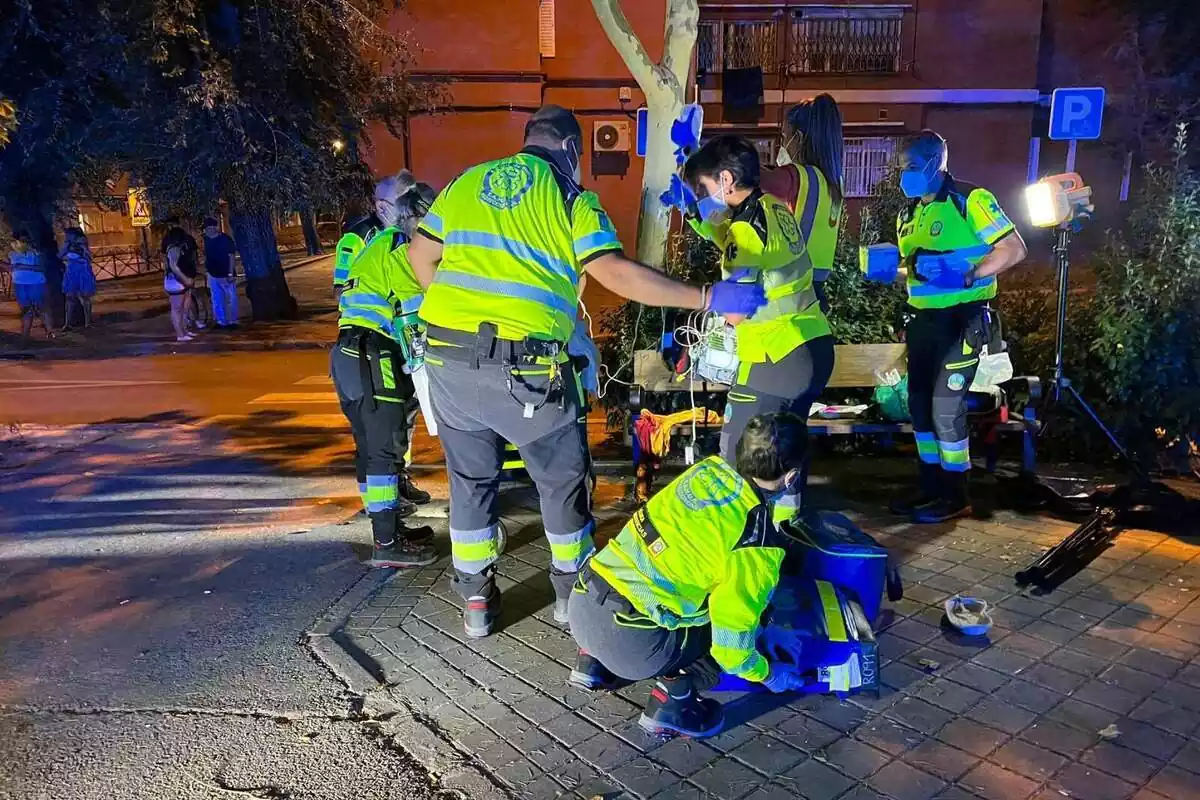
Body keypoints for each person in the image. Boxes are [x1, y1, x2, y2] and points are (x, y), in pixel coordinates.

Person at [405, 104, 767, 639]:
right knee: (561, 481)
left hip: (449, 364)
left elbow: (420, 259)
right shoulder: (571, 198)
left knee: (470, 482)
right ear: (573, 151)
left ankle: (477, 603)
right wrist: (710, 294)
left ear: (528, 139)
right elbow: (614, 272)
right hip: (524, 371)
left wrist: (468, 313)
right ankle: (571, 600)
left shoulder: (467, 183)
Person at [568, 412, 810, 737]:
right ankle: (674, 699)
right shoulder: (758, 545)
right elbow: (732, 649)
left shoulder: (706, 473)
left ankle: (594, 663)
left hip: (583, 603)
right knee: (747, 619)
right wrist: (768, 673)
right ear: (792, 477)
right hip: (632, 643)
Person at [682, 135, 835, 525]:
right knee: (784, 454)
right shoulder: (773, 209)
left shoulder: (745, 231)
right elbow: (742, 245)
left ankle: (740, 543)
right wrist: (698, 215)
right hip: (811, 347)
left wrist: (703, 306)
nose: (705, 193)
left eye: (705, 187)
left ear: (727, 180)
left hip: (774, 356)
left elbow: (736, 310)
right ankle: (785, 535)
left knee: (740, 454)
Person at [891, 130, 1027, 523]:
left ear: (937, 163)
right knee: (919, 407)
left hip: (962, 321)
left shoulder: (971, 200)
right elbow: (920, 274)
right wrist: (892, 274)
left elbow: (1014, 248)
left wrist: (971, 275)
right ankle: (929, 486)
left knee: (945, 409)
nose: (906, 176)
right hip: (923, 323)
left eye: (913, 167)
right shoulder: (909, 214)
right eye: (902, 170)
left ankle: (956, 492)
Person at [333, 171, 440, 568]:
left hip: (351, 354)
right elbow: (417, 314)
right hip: (371, 352)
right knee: (384, 449)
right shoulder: (400, 245)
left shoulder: (381, 242)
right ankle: (387, 544)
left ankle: (390, 529)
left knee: (372, 448)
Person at [764, 93, 845, 314]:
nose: (783, 145)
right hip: (815, 293)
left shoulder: (797, 178)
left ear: (798, 138)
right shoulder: (833, 182)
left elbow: (747, 175)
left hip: (790, 294)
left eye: (784, 136)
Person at [9, 230, 53, 346]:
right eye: (20, 240)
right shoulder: (12, 254)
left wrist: (22, 266)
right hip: (20, 284)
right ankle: (25, 337)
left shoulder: (36, 253)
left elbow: (42, 268)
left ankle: (49, 333)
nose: (22, 243)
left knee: (42, 308)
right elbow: (11, 267)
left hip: (36, 283)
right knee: (26, 310)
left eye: (25, 240)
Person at [162, 223, 200, 342]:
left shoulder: (176, 248)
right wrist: (185, 278)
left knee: (183, 307)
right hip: (175, 281)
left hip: (177, 281)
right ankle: (180, 334)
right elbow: (173, 266)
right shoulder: (174, 249)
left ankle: (184, 331)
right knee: (177, 309)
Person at [202, 217, 239, 329]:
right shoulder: (207, 240)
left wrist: (230, 273)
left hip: (225, 273)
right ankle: (221, 321)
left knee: (230, 298)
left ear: (215, 227)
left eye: (210, 228)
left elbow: (231, 256)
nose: (208, 230)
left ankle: (232, 321)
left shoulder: (224, 239)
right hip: (213, 274)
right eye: (207, 228)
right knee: (216, 298)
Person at [59, 227, 97, 330]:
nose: (66, 237)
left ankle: (88, 322)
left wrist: (83, 249)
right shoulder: (67, 245)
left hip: (83, 272)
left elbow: (89, 258)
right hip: (71, 272)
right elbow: (60, 256)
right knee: (70, 298)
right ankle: (67, 323)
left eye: (68, 235)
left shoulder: (82, 244)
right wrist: (66, 247)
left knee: (85, 297)